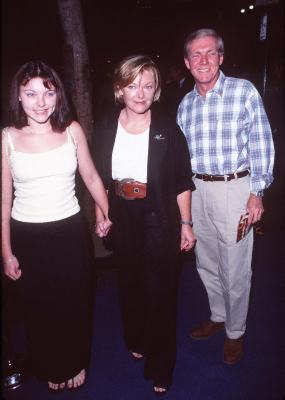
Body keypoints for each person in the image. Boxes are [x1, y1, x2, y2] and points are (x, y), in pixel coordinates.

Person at [1, 60, 112, 390]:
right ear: (18, 97)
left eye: (48, 93)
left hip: (68, 231)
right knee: (38, 306)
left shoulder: (72, 130)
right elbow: (3, 199)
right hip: (27, 235)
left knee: (74, 302)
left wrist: (106, 212)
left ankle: (75, 361)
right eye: (31, 93)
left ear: (58, 96)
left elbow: (91, 176)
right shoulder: (6, 138)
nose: (40, 102)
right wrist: (6, 251)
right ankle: (51, 364)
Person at [92, 55, 196, 395]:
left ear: (157, 91)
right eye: (132, 85)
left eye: (148, 85)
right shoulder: (107, 126)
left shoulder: (167, 129)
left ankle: (162, 365)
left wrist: (186, 223)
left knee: (161, 292)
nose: (140, 93)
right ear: (119, 89)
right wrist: (101, 214)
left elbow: (182, 181)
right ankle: (136, 337)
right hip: (122, 213)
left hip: (159, 215)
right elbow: (99, 178)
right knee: (130, 284)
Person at [177, 28, 275, 364]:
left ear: (221, 57)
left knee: (235, 266)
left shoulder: (243, 92)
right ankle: (218, 316)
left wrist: (256, 193)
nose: (203, 60)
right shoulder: (185, 104)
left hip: (235, 189)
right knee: (205, 260)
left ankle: (236, 332)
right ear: (187, 62)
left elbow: (262, 143)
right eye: (196, 55)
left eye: (210, 53)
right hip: (196, 189)